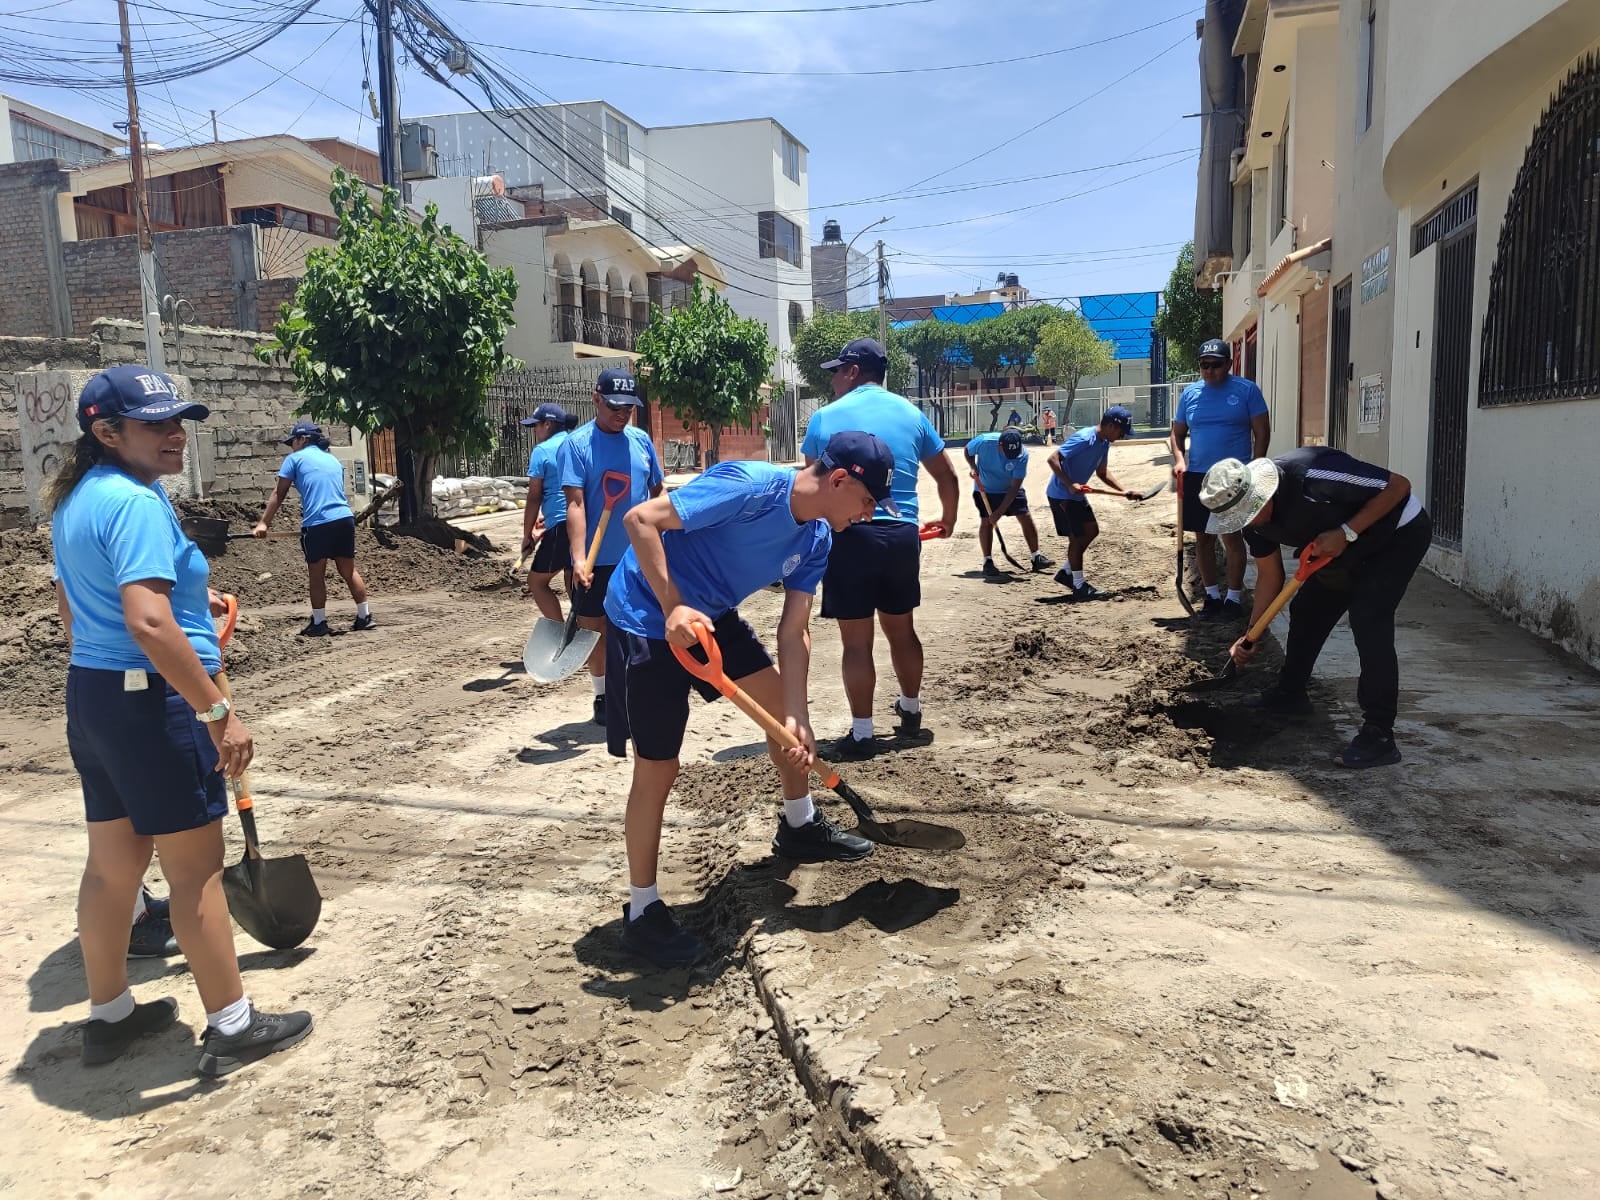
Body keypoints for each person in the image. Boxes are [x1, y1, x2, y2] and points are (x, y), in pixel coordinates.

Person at [46, 365, 312, 1075]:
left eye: (178, 421)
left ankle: (110, 1017)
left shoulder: (78, 499)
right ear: (107, 432)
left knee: (113, 869)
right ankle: (232, 1022)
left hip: (96, 694)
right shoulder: (133, 503)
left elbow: (78, 610)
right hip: (152, 703)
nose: (175, 435)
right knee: (194, 872)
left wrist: (187, 604)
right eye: (156, 424)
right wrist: (216, 710)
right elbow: (150, 620)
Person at [603, 433, 892, 967]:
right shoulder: (750, 488)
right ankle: (642, 911)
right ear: (839, 480)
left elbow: (794, 630)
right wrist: (672, 608)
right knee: (659, 768)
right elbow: (639, 521)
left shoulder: (818, 540)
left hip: (712, 614)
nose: (869, 514)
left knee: (781, 712)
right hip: (648, 613)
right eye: (868, 501)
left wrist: (797, 716)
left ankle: (799, 824)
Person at [1199, 449, 1432, 768]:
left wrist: (1346, 532)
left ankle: (1379, 733)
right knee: (1308, 609)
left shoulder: (1314, 475)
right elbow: (1270, 575)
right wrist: (1251, 634)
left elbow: (1399, 486)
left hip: (1396, 534)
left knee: (1368, 619)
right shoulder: (1253, 524)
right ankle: (1290, 694)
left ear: (1261, 494)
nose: (1246, 523)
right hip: (1339, 548)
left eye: (1249, 513)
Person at [800, 338, 958, 758]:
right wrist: (949, 519)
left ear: (853, 371)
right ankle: (910, 711)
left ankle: (863, 733)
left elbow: (813, 487)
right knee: (901, 629)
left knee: (856, 641)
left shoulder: (825, 418)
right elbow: (948, 476)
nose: (833, 379)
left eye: (837, 371)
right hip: (902, 533)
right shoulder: (912, 413)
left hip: (850, 532)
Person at [561, 369, 664, 725]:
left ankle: (637, 691)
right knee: (595, 630)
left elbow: (658, 495)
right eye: (615, 407)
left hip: (638, 558)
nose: (622, 414)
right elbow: (574, 505)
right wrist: (578, 558)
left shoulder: (640, 441)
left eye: (628, 409)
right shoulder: (576, 445)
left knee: (639, 628)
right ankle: (603, 695)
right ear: (596, 399)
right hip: (595, 559)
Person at [1171, 339, 1270, 621]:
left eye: (1216, 365)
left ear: (1229, 364)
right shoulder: (1190, 394)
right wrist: (1179, 460)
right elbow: (1177, 434)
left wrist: (1257, 466)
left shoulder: (1246, 391)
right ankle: (1212, 596)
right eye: (1204, 365)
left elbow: (1262, 431)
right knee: (1202, 538)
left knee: (1231, 536)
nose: (1210, 370)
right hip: (1199, 476)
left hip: (1233, 475)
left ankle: (1234, 598)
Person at [254, 421, 373, 636]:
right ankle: (364, 616)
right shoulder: (333, 460)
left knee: (316, 575)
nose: (291, 447)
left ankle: (319, 622)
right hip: (344, 519)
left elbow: (278, 494)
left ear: (303, 439)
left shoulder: (294, 460)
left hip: (318, 523)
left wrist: (264, 523)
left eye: (293, 442)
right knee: (348, 570)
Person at [1044, 406, 1137, 600]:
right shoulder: (1085, 438)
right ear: (1111, 426)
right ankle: (1078, 585)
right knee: (1077, 539)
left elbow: (1102, 472)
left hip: (1077, 494)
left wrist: (1123, 491)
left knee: (1091, 531)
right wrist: (1069, 484)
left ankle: (1067, 572)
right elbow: (1053, 459)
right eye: (1121, 432)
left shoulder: (1104, 443)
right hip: (1062, 494)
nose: (1122, 436)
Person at [965, 427, 1053, 578]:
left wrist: (999, 513)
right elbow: (968, 450)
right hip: (985, 489)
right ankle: (988, 561)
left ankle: (1036, 556)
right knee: (986, 522)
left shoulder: (1022, 454)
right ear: (999, 446)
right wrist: (973, 467)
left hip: (1009, 488)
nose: (1012, 457)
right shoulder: (984, 441)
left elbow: (1014, 487)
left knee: (1025, 516)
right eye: (1009, 453)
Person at [518, 403, 574, 620]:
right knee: (572, 578)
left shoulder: (542, 451)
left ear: (548, 424)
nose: (535, 431)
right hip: (583, 521)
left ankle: (558, 633)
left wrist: (526, 534)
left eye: (536, 426)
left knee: (536, 582)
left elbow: (534, 496)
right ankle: (581, 630)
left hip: (561, 525)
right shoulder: (576, 443)